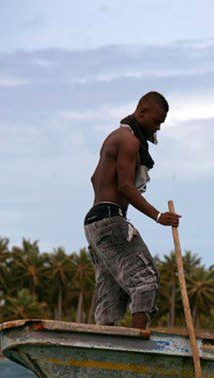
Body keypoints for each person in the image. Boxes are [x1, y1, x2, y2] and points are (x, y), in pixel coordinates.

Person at [84, 91, 180, 329]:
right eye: (156, 122)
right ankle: (139, 342)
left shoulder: (115, 137)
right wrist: (158, 216)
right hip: (109, 218)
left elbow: (94, 178)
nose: (157, 129)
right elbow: (125, 186)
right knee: (145, 280)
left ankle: (104, 346)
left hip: (94, 222)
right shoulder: (128, 140)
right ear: (141, 112)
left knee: (111, 292)